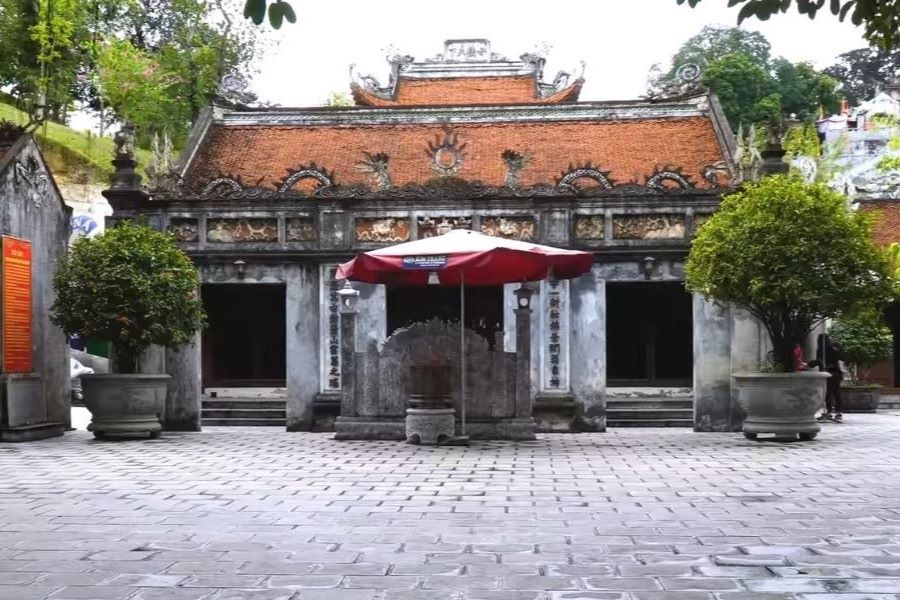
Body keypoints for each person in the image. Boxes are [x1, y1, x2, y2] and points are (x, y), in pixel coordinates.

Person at [809, 332, 843, 423]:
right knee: (827, 394)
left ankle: (838, 412)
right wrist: (810, 364)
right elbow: (818, 361)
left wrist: (827, 366)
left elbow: (835, 361)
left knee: (835, 392)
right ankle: (829, 411)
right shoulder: (819, 350)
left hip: (834, 373)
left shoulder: (832, 350)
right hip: (825, 374)